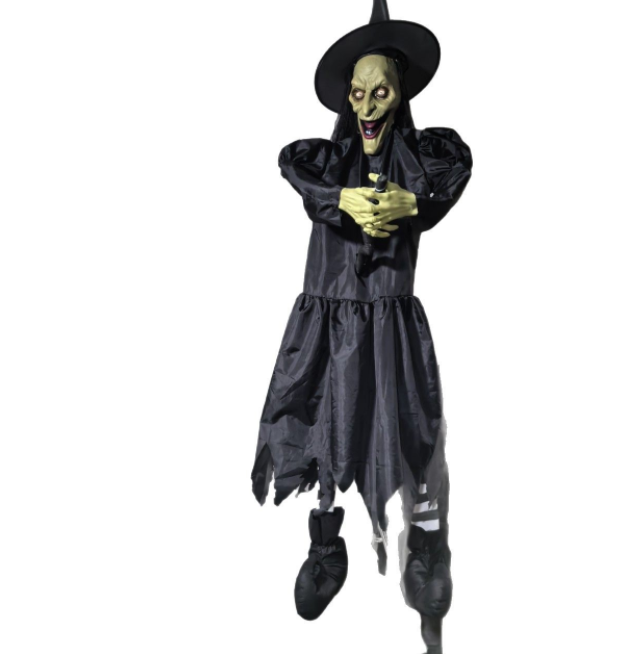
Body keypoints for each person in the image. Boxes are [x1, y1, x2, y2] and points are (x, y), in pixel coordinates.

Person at [251, 2, 472, 651]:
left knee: (413, 428)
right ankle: (327, 543)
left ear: (400, 93)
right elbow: (292, 164)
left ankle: (426, 546)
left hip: (391, 320)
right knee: (326, 422)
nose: (369, 107)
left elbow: (456, 168)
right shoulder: (327, 163)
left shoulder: (420, 160)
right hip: (330, 322)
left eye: (381, 92)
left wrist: (414, 201)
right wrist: (341, 198)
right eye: (358, 93)